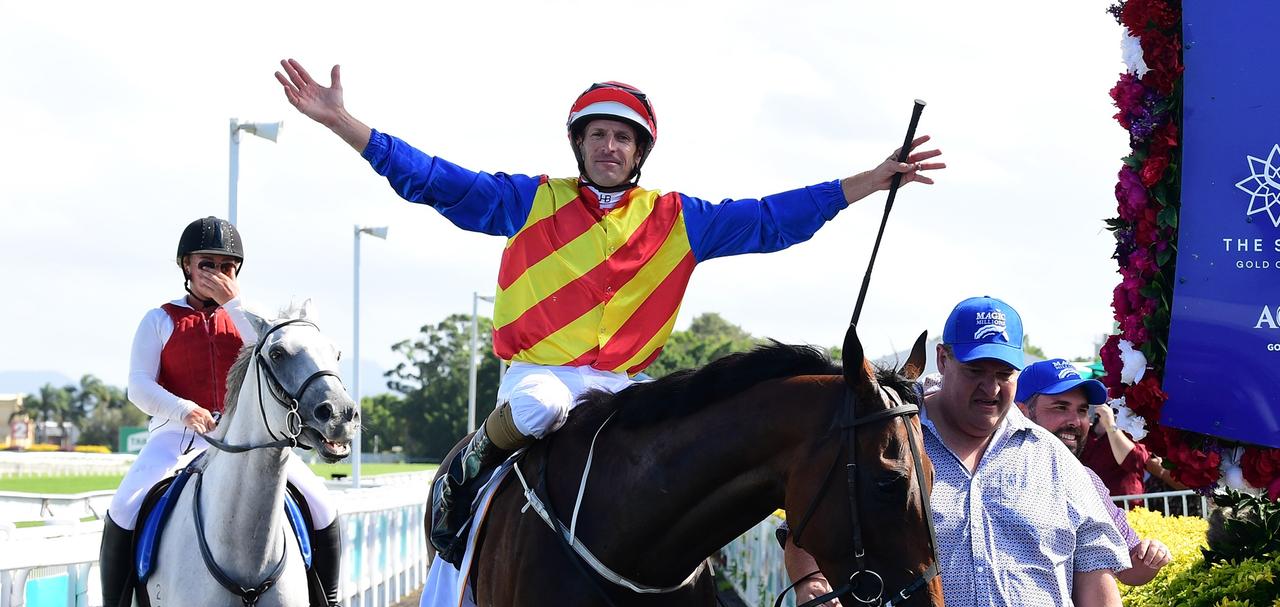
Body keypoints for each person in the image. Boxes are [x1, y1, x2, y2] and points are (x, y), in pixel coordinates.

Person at [274, 59, 946, 565]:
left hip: (626, 389)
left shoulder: (681, 220)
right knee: (539, 409)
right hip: (537, 377)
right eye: (597, 135)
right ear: (580, 144)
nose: (608, 147)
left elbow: (776, 219)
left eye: (622, 138)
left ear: (638, 151)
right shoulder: (525, 200)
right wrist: (343, 123)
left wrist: (872, 179)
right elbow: (432, 179)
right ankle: (468, 474)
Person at [784, 297, 1143, 607]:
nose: (990, 388)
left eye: (1003, 374)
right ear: (943, 358)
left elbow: (1093, 569)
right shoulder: (882, 444)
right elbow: (804, 532)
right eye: (975, 371)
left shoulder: (1053, 458)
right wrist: (810, 583)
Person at [93, 217, 356, 607]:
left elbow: (278, 353)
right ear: (185, 266)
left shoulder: (252, 323)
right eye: (206, 264)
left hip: (247, 438)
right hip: (178, 436)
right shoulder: (160, 319)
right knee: (126, 505)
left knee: (321, 504)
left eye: (227, 266)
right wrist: (183, 409)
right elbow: (138, 386)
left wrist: (235, 305)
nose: (216, 273)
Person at [1015, 358, 1172, 607]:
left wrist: (1150, 557)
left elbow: (1127, 570)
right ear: (1022, 411)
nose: (1075, 421)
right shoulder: (977, 474)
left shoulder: (1085, 481)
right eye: (1060, 407)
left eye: (1082, 409)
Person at [1078, 402, 1167, 503]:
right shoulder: (1087, 432)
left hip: (1125, 509)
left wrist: (1110, 425)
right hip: (1092, 506)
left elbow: (1135, 462)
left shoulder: (1133, 428)